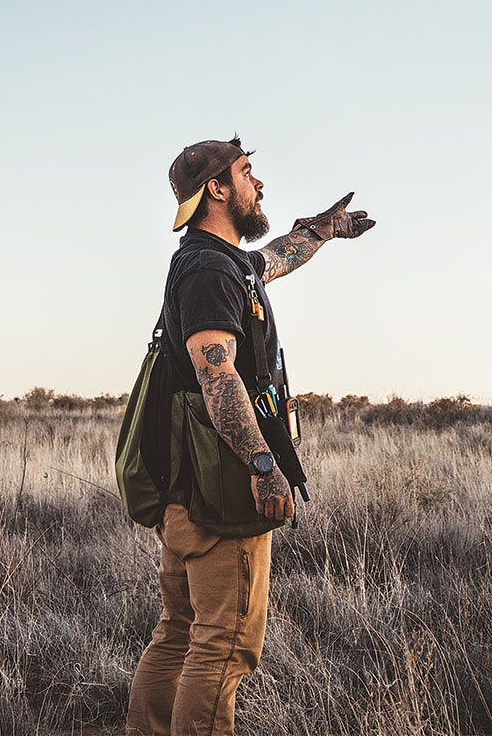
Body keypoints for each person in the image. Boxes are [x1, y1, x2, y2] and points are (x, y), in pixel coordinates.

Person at [127, 137, 375, 736]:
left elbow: (274, 259)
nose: (258, 185)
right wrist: (264, 467)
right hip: (222, 492)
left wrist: (322, 230)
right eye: (246, 173)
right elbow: (217, 374)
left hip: (186, 491)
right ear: (217, 189)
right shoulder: (211, 269)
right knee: (226, 644)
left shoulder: (214, 260)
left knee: (179, 632)